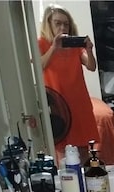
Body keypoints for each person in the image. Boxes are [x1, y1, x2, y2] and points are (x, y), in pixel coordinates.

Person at [38, 4, 99, 162]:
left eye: (66, 23)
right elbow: (39, 66)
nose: (62, 27)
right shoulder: (41, 43)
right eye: (58, 23)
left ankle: (87, 181)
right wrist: (54, 47)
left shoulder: (74, 46)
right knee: (62, 151)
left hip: (79, 103)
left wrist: (90, 50)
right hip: (58, 105)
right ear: (49, 24)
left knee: (85, 148)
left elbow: (91, 67)